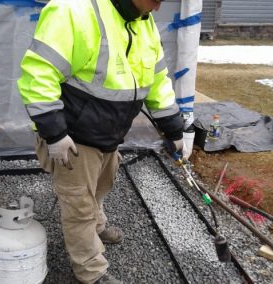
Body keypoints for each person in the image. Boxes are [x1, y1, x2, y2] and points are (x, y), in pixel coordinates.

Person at [18, 0, 190, 283]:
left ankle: (95, 227)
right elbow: (38, 74)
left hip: (109, 135)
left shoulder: (142, 22)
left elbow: (157, 80)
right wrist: (55, 134)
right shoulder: (72, 11)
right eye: (155, 0)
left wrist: (173, 129)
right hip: (73, 137)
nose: (158, 9)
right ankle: (91, 271)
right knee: (79, 205)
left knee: (101, 186)